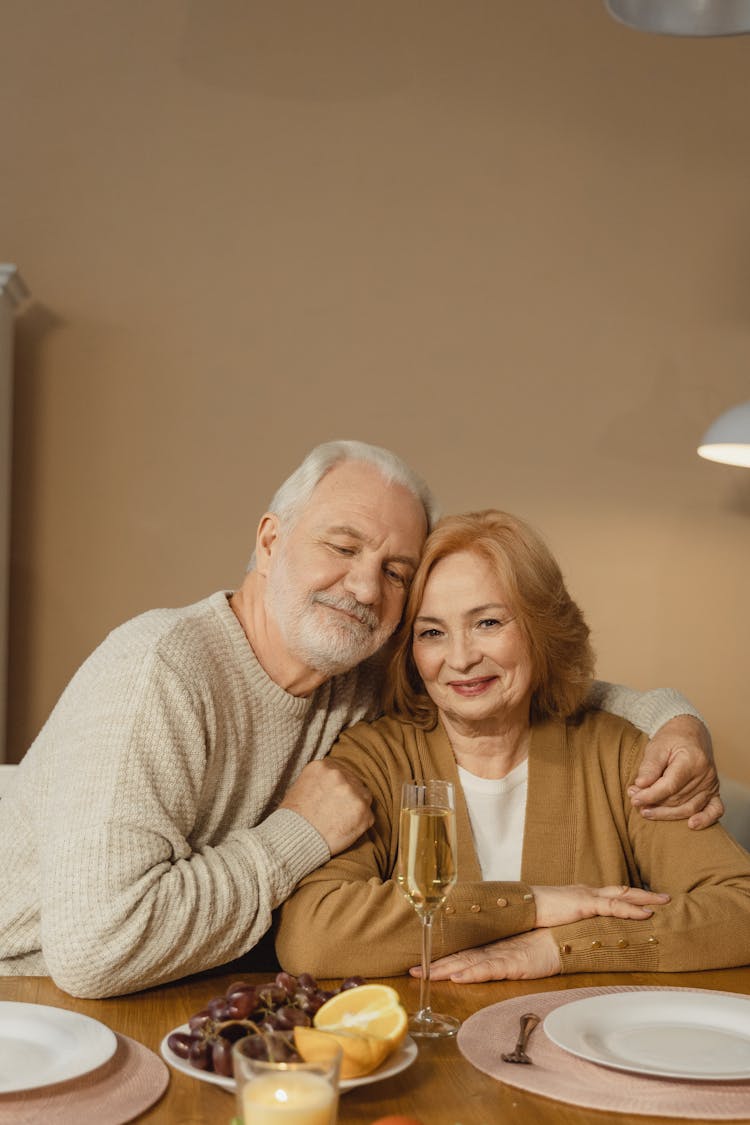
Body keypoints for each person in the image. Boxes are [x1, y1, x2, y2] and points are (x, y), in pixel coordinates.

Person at [0, 446, 719, 998]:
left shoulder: (362, 662)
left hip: (193, 985)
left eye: (396, 569)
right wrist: (295, 836)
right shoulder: (156, 670)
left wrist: (675, 721)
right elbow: (96, 950)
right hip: (31, 986)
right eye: (342, 547)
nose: (365, 586)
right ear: (271, 540)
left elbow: (538, 682)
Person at [276, 509, 750, 981]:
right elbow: (312, 939)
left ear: (540, 629)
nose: (460, 658)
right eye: (432, 632)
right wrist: (528, 906)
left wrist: (560, 947)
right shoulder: (376, 759)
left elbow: (739, 910)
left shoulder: (620, 755)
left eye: (488, 623)